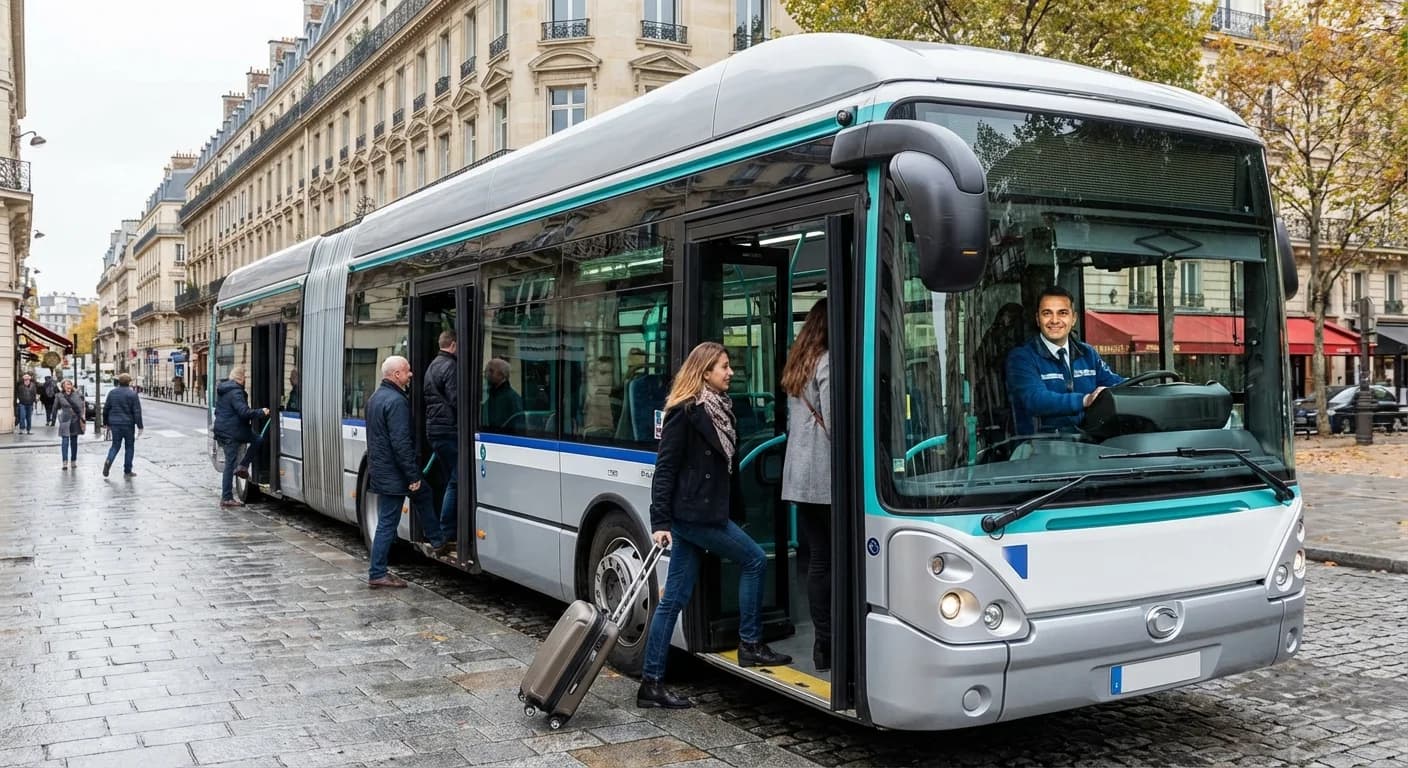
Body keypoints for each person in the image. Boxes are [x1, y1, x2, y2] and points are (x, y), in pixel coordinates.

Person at [638, 342, 792, 710]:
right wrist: (659, 521)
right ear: (705, 371)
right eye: (724, 366)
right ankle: (750, 643)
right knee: (755, 559)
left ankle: (651, 683)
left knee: (673, 598)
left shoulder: (720, 409)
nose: (731, 372)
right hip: (693, 516)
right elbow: (666, 469)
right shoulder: (684, 412)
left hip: (703, 513)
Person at [366, 355, 451, 589]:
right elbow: (400, 442)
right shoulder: (396, 402)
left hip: (383, 470)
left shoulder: (375, 398)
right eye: (407, 371)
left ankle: (436, 539)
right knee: (387, 522)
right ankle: (377, 573)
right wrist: (412, 476)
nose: (411, 374)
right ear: (396, 375)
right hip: (395, 473)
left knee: (424, 494)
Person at [780, 299, 833, 672]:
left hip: (800, 476)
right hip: (826, 475)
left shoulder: (798, 360)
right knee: (832, 560)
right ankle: (831, 641)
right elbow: (835, 419)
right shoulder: (827, 360)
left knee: (817, 559)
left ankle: (822, 643)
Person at [1005, 286, 1125, 434]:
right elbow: (1035, 399)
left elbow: (1117, 384)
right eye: (1047, 313)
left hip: (1088, 445)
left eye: (1062, 313)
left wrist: (1145, 387)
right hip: (1038, 448)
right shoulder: (1021, 358)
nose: (1055, 320)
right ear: (1038, 319)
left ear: (1073, 319)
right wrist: (1085, 400)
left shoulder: (1087, 354)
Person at [423, 330, 459, 553]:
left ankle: (443, 529)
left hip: (434, 431)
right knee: (457, 480)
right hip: (448, 431)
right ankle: (446, 532)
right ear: (453, 345)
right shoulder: (451, 366)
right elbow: (456, 399)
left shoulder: (432, 365)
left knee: (448, 479)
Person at [213, 367, 270, 508]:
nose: (245, 379)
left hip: (225, 430)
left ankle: (242, 466)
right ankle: (226, 497)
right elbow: (244, 412)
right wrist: (261, 412)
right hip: (232, 432)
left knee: (256, 439)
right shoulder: (236, 392)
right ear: (240, 378)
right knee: (231, 464)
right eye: (244, 376)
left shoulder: (225, 389)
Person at [102, 373, 144, 478]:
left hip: (115, 424)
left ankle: (108, 461)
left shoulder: (112, 393)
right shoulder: (132, 394)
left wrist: (106, 423)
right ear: (129, 382)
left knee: (115, 445)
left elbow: (106, 409)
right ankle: (127, 470)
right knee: (129, 447)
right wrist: (140, 426)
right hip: (128, 424)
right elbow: (137, 411)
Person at [482, 358, 525, 430]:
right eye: (486, 371)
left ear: (502, 375)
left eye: (491, 371)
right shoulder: (492, 395)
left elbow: (518, 426)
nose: (487, 374)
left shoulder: (512, 398)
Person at [54, 379, 85, 470]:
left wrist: (82, 416)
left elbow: (81, 407)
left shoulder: (77, 395)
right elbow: (55, 407)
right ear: (63, 386)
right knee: (65, 440)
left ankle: (73, 460)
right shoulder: (59, 395)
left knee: (74, 441)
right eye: (67, 384)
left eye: (70, 384)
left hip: (75, 419)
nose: (69, 386)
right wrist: (53, 419)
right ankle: (64, 462)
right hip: (65, 419)